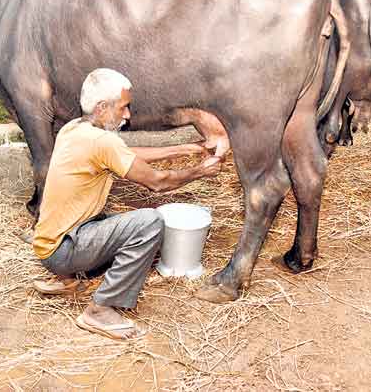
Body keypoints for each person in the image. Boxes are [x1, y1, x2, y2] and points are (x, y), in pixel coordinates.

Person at [32, 68, 226, 340]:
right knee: (149, 223)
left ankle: (66, 279)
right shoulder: (101, 142)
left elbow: (125, 154)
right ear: (102, 107)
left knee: (113, 219)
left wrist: (182, 149)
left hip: (50, 246)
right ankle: (100, 309)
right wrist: (199, 172)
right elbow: (158, 182)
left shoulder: (74, 129)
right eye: (123, 107)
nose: (127, 115)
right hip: (62, 251)